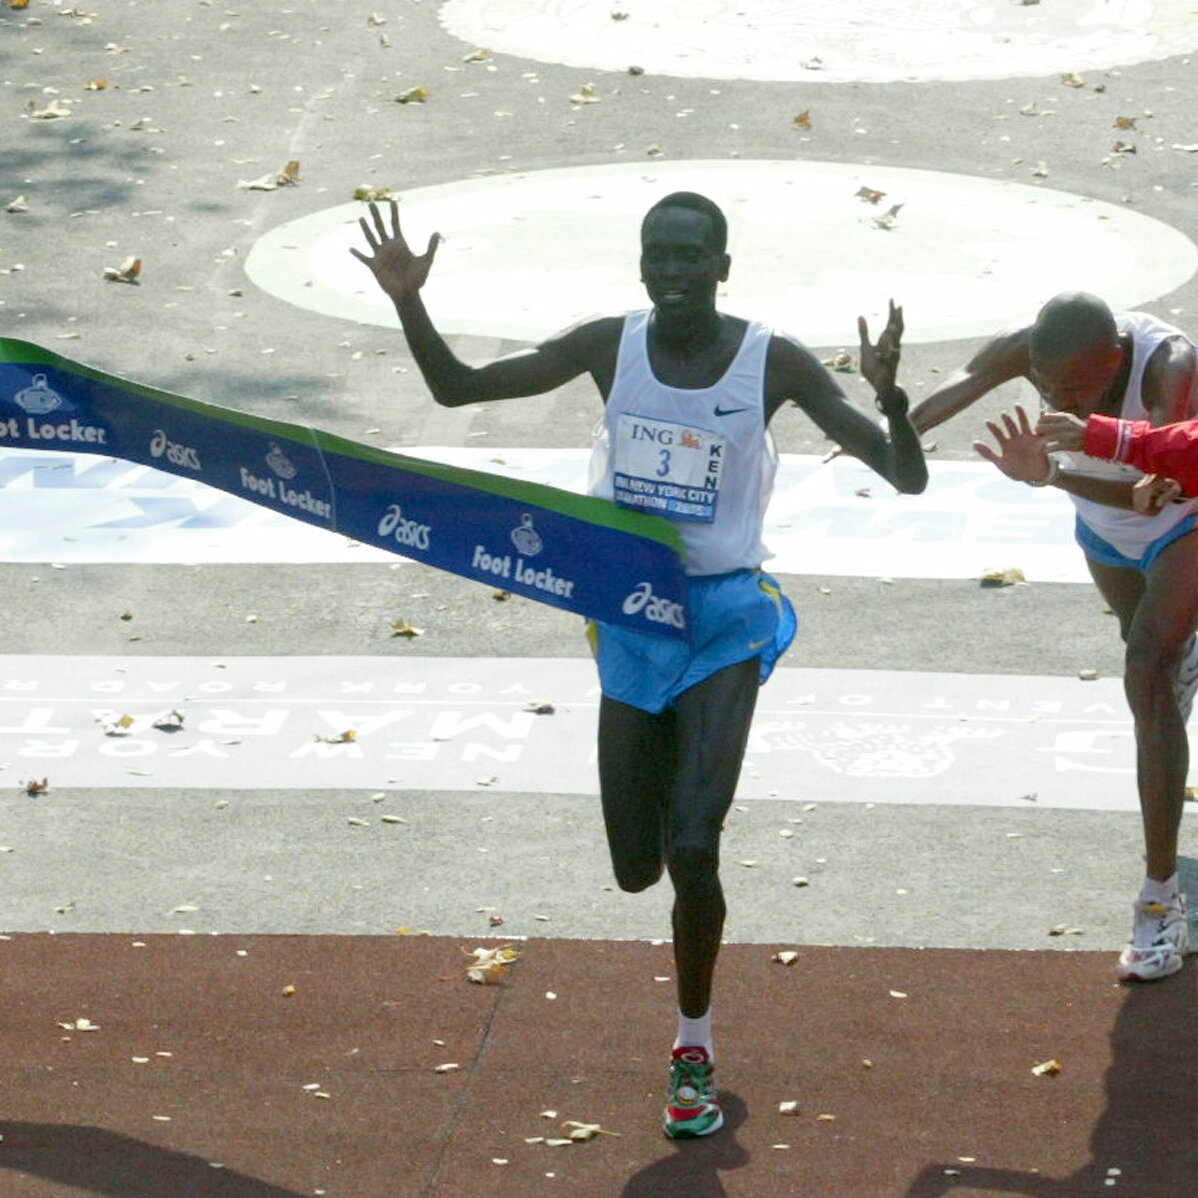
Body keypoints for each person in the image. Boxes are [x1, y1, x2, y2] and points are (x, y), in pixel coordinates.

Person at [352, 192, 928, 1137]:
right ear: (642, 265)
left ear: (723, 267)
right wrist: (408, 299)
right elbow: (458, 389)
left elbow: (906, 475)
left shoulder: (771, 361)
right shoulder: (607, 346)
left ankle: (692, 1048)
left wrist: (892, 401)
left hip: (726, 620)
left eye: (690, 256)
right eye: (658, 254)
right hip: (630, 615)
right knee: (635, 868)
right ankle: (677, 798)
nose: (672, 271)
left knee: (694, 848)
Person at [909, 291, 1198, 982]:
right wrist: (884, 426)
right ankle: (1182, 647)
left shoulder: (1171, 368)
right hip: (1104, 533)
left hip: (1182, 516)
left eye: (1073, 391)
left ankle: (1160, 903)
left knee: (1146, 673)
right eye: (1045, 385)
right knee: (1148, 653)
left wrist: (1052, 473)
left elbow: (1154, 491)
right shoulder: (1033, 346)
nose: (1055, 400)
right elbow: (948, 393)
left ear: (1116, 361)